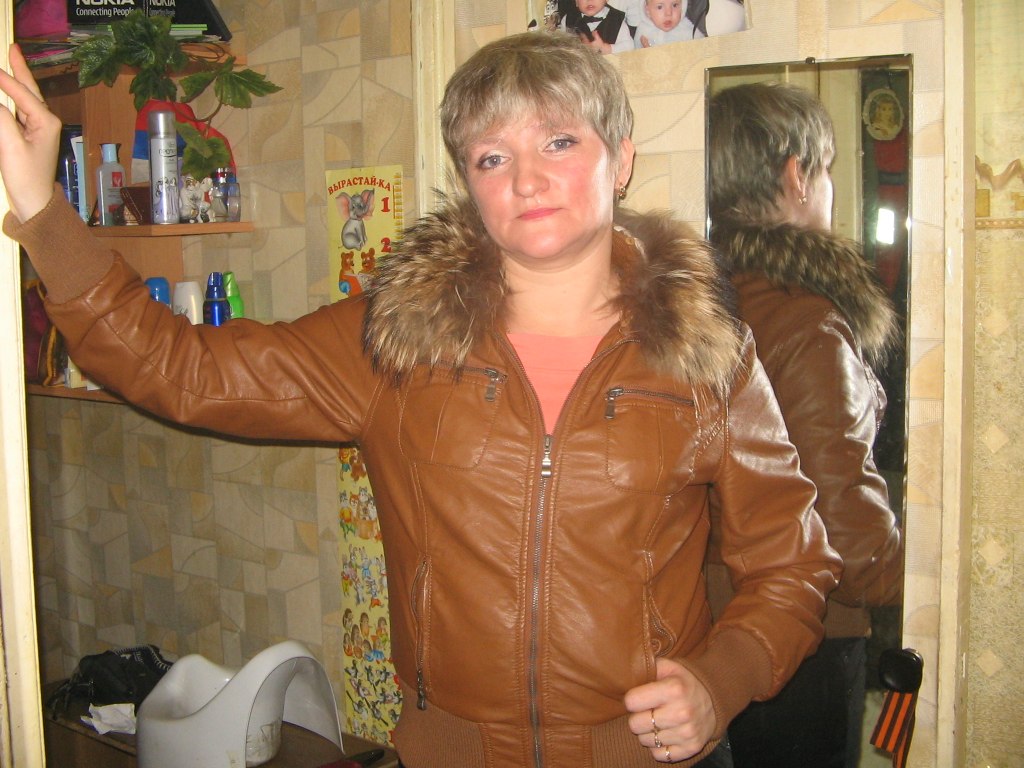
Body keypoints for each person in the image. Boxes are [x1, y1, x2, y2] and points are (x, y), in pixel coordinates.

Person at [0, 32, 840, 768]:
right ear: (468, 181)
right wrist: (41, 209)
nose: (527, 178)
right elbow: (178, 368)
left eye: (558, 140)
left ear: (620, 160)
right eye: (492, 157)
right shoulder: (397, 341)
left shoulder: (707, 354)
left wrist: (721, 681)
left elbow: (793, 565)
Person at [706, 81, 905, 768]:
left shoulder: (699, 303)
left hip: (712, 634)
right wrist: (935, 580)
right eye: (826, 169)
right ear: (796, 175)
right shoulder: (808, 322)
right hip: (806, 644)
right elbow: (849, 541)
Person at [559, 0, 635, 53]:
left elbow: (630, 47)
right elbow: (561, 45)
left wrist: (606, 48)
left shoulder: (616, 20)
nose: (589, 0)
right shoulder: (568, 19)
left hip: (607, 68)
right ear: (576, 2)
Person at [633, 0, 699, 48]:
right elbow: (635, 58)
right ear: (647, 10)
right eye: (660, 7)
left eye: (674, 5)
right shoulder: (643, 31)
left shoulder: (687, 29)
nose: (668, 13)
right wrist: (645, 51)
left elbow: (701, 48)